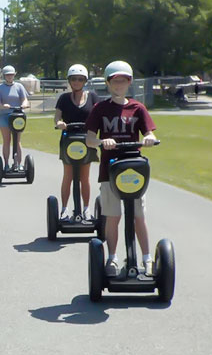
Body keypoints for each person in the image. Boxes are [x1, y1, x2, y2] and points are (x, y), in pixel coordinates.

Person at [85, 60, 158, 279]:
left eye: (123, 80)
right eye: (115, 80)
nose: (119, 84)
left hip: (134, 170)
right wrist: (101, 142)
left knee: (138, 216)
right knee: (113, 216)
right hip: (110, 170)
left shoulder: (137, 107)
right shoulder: (100, 108)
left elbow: (150, 133)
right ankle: (113, 258)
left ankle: (147, 258)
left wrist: (149, 139)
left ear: (129, 82)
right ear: (108, 83)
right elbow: (89, 139)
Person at [53, 63, 100, 221]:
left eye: (80, 79)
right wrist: (59, 123)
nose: (77, 82)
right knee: (68, 176)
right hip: (68, 140)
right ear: (69, 80)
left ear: (85, 81)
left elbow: (99, 115)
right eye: (74, 79)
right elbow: (57, 117)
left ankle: (86, 209)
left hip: (87, 140)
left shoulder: (92, 96)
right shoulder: (64, 98)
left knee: (84, 177)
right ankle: (64, 210)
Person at [0, 65, 30, 170]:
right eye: (8, 75)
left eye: (11, 75)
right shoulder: (0, 88)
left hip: (17, 116)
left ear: (14, 75)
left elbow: (24, 99)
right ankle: (6, 164)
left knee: (17, 140)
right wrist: (3, 106)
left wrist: (24, 104)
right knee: (7, 140)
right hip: (4, 116)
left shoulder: (19, 86)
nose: (10, 76)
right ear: (4, 76)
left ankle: (18, 164)